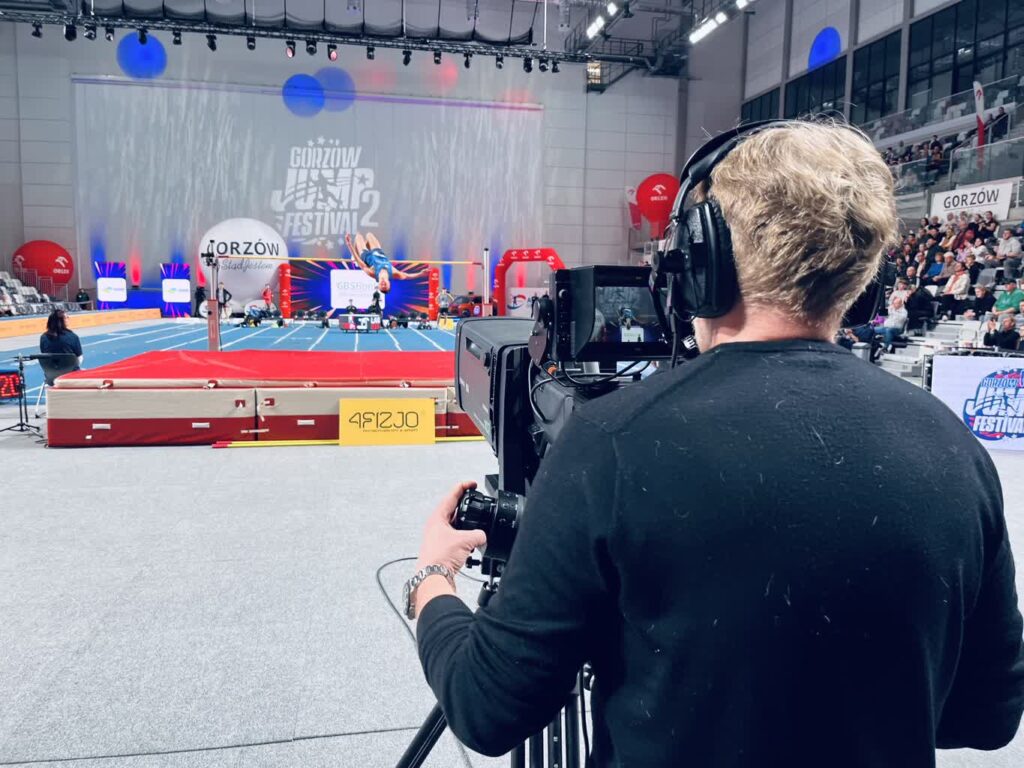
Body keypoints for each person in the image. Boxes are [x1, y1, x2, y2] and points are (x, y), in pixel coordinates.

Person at [409, 121, 1024, 765]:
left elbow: (488, 708)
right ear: (866, 281)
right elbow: (984, 716)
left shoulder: (611, 441)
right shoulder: (955, 448)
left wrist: (432, 579)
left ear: (700, 263)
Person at [343, 231, 415, 294]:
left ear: (378, 285)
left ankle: (356, 254)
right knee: (369, 235)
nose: (383, 284)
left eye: (381, 286)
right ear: (389, 284)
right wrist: (420, 274)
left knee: (358, 236)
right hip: (377, 252)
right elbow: (407, 276)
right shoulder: (394, 273)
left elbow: (360, 263)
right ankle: (367, 246)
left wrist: (349, 245)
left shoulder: (373, 273)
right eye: (385, 285)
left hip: (366, 256)